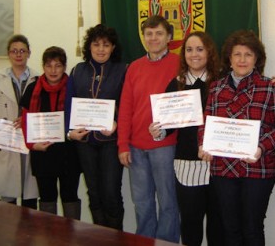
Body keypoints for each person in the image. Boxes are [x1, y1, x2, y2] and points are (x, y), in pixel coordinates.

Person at [198, 30, 275, 246]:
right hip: (223, 169)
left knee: (252, 228)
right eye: (237, 54)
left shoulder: (269, 88)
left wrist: (260, 147)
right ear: (229, 59)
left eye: (248, 55)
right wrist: (203, 144)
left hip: (257, 168)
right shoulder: (216, 88)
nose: (242, 60)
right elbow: (206, 122)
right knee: (230, 229)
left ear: (256, 59)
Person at [149, 31, 223, 246]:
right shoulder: (176, 84)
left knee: (218, 225)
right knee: (191, 225)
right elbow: (169, 126)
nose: (194, 54)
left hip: (218, 164)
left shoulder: (220, 82)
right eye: (189, 50)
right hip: (187, 165)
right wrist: (159, 131)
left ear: (209, 51)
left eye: (200, 49)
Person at [118, 15, 180, 243]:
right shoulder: (134, 67)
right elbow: (125, 108)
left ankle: (166, 243)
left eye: (159, 33)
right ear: (143, 37)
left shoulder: (179, 64)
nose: (153, 38)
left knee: (168, 202)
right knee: (142, 202)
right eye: (149, 34)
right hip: (136, 147)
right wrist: (123, 144)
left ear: (169, 37)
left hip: (165, 146)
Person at [65, 24, 127, 230]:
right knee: (94, 193)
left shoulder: (123, 70)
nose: (101, 49)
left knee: (110, 192)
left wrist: (117, 122)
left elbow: (128, 104)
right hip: (84, 142)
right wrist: (70, 132)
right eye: (96, 44)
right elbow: (69, 104)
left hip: (111, 142)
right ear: (89, 46)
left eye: (106, 45)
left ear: (113, 48)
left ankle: (116, 237)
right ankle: (99, 237)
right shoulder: (77, 70)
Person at [20, 46, 81, 218]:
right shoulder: (33, 88)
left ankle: (71, 239)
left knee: (70, 197)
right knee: (47, 197)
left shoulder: (73, 87)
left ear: (64, 67)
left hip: (69, 154)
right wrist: (32, 145)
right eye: (49, 66)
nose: (53, 70)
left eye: (58, 66)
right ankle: (49, 239)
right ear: (43, 67)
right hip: (42, 153)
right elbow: (25, 120)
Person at [0, 34, 39, 208]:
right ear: (9, 54)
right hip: (6, 141)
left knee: (29, 193)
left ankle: (29, 232)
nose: (18, 54)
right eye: (14, 51)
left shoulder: (37, 79)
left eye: (22, 51)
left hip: (29, 139)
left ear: (29, 53)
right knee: (8, 195)